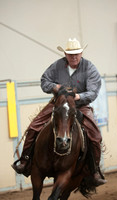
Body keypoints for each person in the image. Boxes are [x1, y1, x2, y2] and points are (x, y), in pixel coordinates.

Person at [12, 38, 107, 186]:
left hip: (80, 105)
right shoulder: (57, 66)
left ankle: (94, 171)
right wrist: (55, 87)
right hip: (58, 104)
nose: (74, 57)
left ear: (81, 53)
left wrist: (78, 96)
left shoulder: (89, 68)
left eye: (76, 53)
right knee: (34, 126)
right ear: (65, 54)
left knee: (95, 136)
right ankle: (25, 161)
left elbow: (93, 91)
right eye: (70, 54)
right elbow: (44, 81)